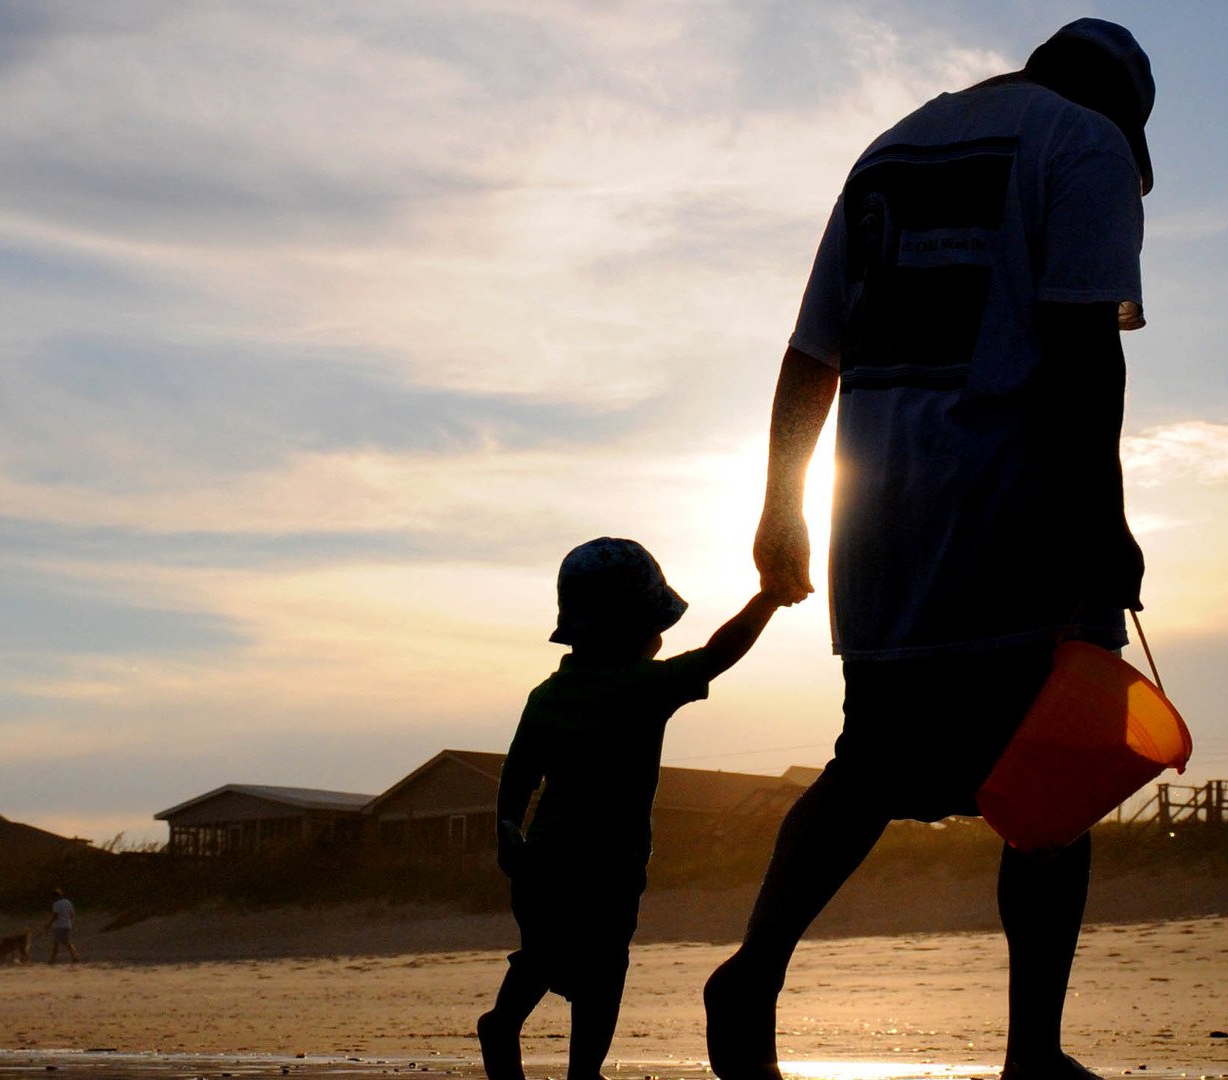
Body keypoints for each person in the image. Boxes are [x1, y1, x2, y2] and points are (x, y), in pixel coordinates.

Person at [703, 19, 1157, 1080]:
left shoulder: (889, 152)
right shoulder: (1082, 143)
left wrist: (782, 508)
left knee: (871, 762)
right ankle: (1032, 1053)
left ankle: (754, 969)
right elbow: (1085, 354)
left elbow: (810, 354)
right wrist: (1104, 523)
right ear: (1117, 107)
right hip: (1010, 513)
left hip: (879, 524)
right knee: (1053, 779)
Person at [478, 537, 791, 1080]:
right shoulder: (645, 686)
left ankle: (503, 1022)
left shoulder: (547, 695)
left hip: (542, 861)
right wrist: (767, 599)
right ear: (629, 627)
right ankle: (582, 1073)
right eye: (656, 625)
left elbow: (519, 773)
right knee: (603, 972)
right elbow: (720, 653)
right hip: (609, 864)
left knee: (542, 954)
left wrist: (507, 829)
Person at [45, 887, 78, 964]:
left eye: (53, 897)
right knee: (66, 942)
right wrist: (68, 920)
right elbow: (72, 913)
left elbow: (55, 916)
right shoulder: (68, 902)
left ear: (56, 896)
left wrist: (48, 924)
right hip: (67, 925)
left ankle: (52, 960)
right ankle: (74, 957)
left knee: (56, 943)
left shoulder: (56, 904)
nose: (53, 899)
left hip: (58, 926)